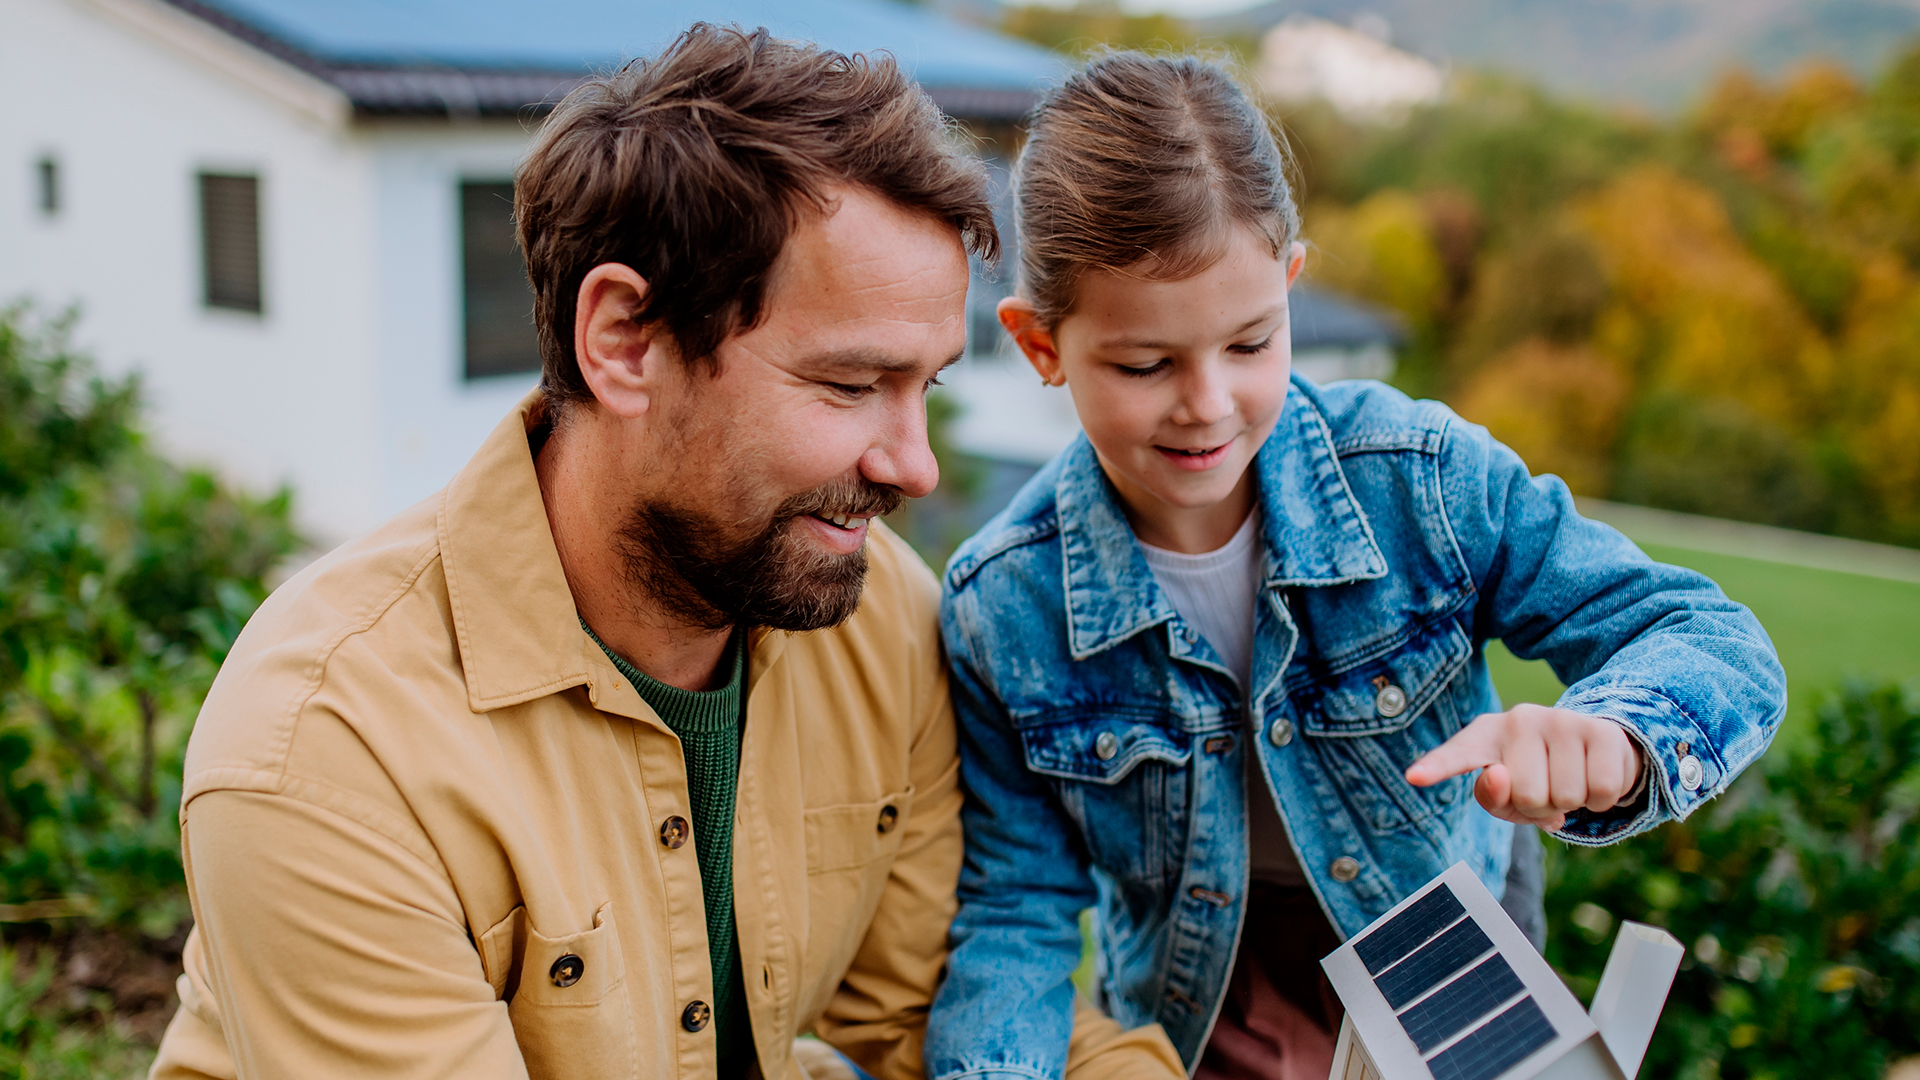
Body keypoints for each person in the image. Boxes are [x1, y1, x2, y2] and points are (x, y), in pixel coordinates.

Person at [148, 26, 1179, 1080]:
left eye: (928, 385)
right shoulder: (328, 750)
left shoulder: (879, 622)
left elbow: (943, 1007)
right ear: (624, 341)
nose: (915, 466)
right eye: (849, 385)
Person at [923, 52, 1785, 1080]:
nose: (1208, 404)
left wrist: (1621, 737)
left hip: (1458, 1004)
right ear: (1039, 345)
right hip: (1198, 1025)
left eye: (1251, 344)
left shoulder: (1422, 483)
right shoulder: (1002, 606)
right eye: (1146, 364)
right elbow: (1015, 912)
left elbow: (1712, 639)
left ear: (1290, 285)